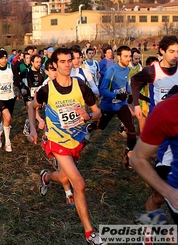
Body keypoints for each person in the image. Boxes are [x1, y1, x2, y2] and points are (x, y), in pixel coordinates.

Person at [27, 47, 105, 245]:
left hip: (76, 141)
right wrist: (34, 130)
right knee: (78, 183)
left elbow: (97, 112)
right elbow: (31, 106)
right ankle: (90, 233)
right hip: (56, 141)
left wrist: (88, 116)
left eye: (69, 60)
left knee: (63, 176)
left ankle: (46, 177)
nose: (67, 64)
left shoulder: (81, 86)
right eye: (62, 61)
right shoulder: (48, 89)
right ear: (55, 64)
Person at [130, 93, 178, 228]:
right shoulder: (169, 108)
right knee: (157, 198)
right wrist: (168, 192)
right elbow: (137, 158)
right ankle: (150, 228)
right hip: (168, 164)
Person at [91, 45, 136, 169]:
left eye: (130, 56)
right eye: (126, 56)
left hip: (121, 105)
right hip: (109, 105)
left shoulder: (127, 69)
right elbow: (102, 90)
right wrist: (116, 95)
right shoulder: (112, 70)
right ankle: (90, 127)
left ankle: (129, 155)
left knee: (131, 128)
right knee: (101, 126)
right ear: (119, 56)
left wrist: (129, 93)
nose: (129, 59)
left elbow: (126, 84)